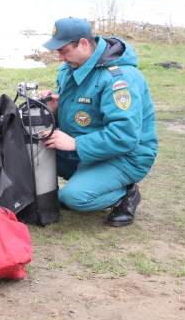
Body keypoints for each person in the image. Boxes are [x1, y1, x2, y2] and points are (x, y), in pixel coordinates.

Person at [37, 17, 158, 226]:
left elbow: (125, 137)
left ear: (83, 44)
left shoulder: (120, 80)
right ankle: (89, 179)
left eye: (64, 51)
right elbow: (84, 112)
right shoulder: (73, 67)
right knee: (33, 153)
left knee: (73, 198)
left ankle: (125, 194)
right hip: (89, 149)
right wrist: (55, 109)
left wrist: (75, 144)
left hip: (125, 157)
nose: (59, 58)